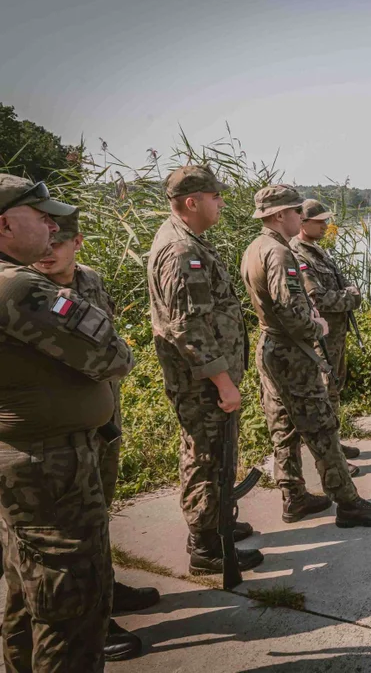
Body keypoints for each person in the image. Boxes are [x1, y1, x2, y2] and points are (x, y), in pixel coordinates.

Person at [0, 175, 134, 672]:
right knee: (70, 601)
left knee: (27, 590)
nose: (52, 226)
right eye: (42, 217)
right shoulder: (20, 286)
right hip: (49, 463)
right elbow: (113, 354)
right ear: (5, 224)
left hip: (27, 456)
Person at [31, 210, 159, 661]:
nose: (48, 252)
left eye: (58, 243)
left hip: (102, 413)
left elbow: (106, 338)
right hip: (57, 429)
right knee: (68, 527)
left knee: (100, 505)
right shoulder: (29, 292)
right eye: (43, 244)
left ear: (77, 242)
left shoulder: (89, 279)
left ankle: (105, 587)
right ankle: (93, 621)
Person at [241, 185, 371, 527]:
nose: (301, 216)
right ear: (280, 215)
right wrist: (317, 327)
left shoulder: (255, 247)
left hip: (270, 346)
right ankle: (348, 502)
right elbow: (294, 313)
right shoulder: (279, 254)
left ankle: (293, 497)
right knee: (322, 426)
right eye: (296, 211)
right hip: (291, 352)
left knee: (283, 426)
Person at [147, 165, 264, 575]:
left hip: (205, 380)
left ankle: (214, 522)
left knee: (212, 455)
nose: (221, 202)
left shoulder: (186, 240)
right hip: (202, 383)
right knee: (205, 456)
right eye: (215, 197)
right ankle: (206, 547)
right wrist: (223, 380)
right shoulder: (181, 251)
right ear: (192, 202)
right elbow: (187, 325)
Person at [289, 198, 364, 470]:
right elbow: (317, 298)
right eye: (319, 221)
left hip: (336, 334)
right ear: (302, 222)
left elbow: (338, 286)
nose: (325, 225)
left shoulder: (318, 250)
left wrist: (348, 295)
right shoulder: (298, 254)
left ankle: (335, 443)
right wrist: (351, 297)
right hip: (321, 338)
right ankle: (332, 458)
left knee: (335, 389)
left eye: (326, 220)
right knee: (325, 393)